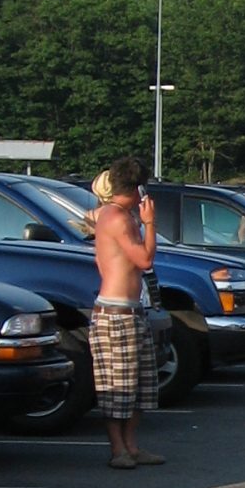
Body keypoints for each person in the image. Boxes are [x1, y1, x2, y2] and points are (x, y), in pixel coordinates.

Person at [89, 158, 165, 471]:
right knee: (118, 386)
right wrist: (151, 223)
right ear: (137, 189)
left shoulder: (121, 215)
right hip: (115, 313)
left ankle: (131, 446)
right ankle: (117, 448)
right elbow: (144, 259)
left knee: (141, 385)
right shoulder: (116, 217)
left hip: (132, 310)